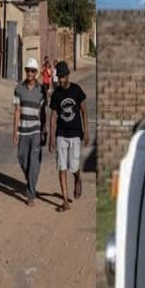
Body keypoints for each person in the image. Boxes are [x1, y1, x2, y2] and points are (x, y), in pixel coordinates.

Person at [49, 61, 89, 212]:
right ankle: (65, 201)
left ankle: (78, 178)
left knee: (73, 166)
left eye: (62, 77)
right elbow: (53, 116)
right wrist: (52, 138)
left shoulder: (76, 90)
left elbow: (84, 111)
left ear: (68, 75)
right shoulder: (56, 94)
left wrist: (86, 131)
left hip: (75, 134)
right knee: (61, 166)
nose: (60, 80)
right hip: (61, 135)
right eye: (58, 77)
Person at [13, 58, 47, 207]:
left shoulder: (41, 90)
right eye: (28, 70)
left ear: (37, 73)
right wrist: (15, 131)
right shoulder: (19, 88)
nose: (30, 73)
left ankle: (30, 194)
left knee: (33, 162)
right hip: (23, 130)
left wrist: (44, 130)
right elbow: (16, 111)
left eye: (32, 71)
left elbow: (43, 113)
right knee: (21, 158)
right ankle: (31, 179)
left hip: (36, 131)